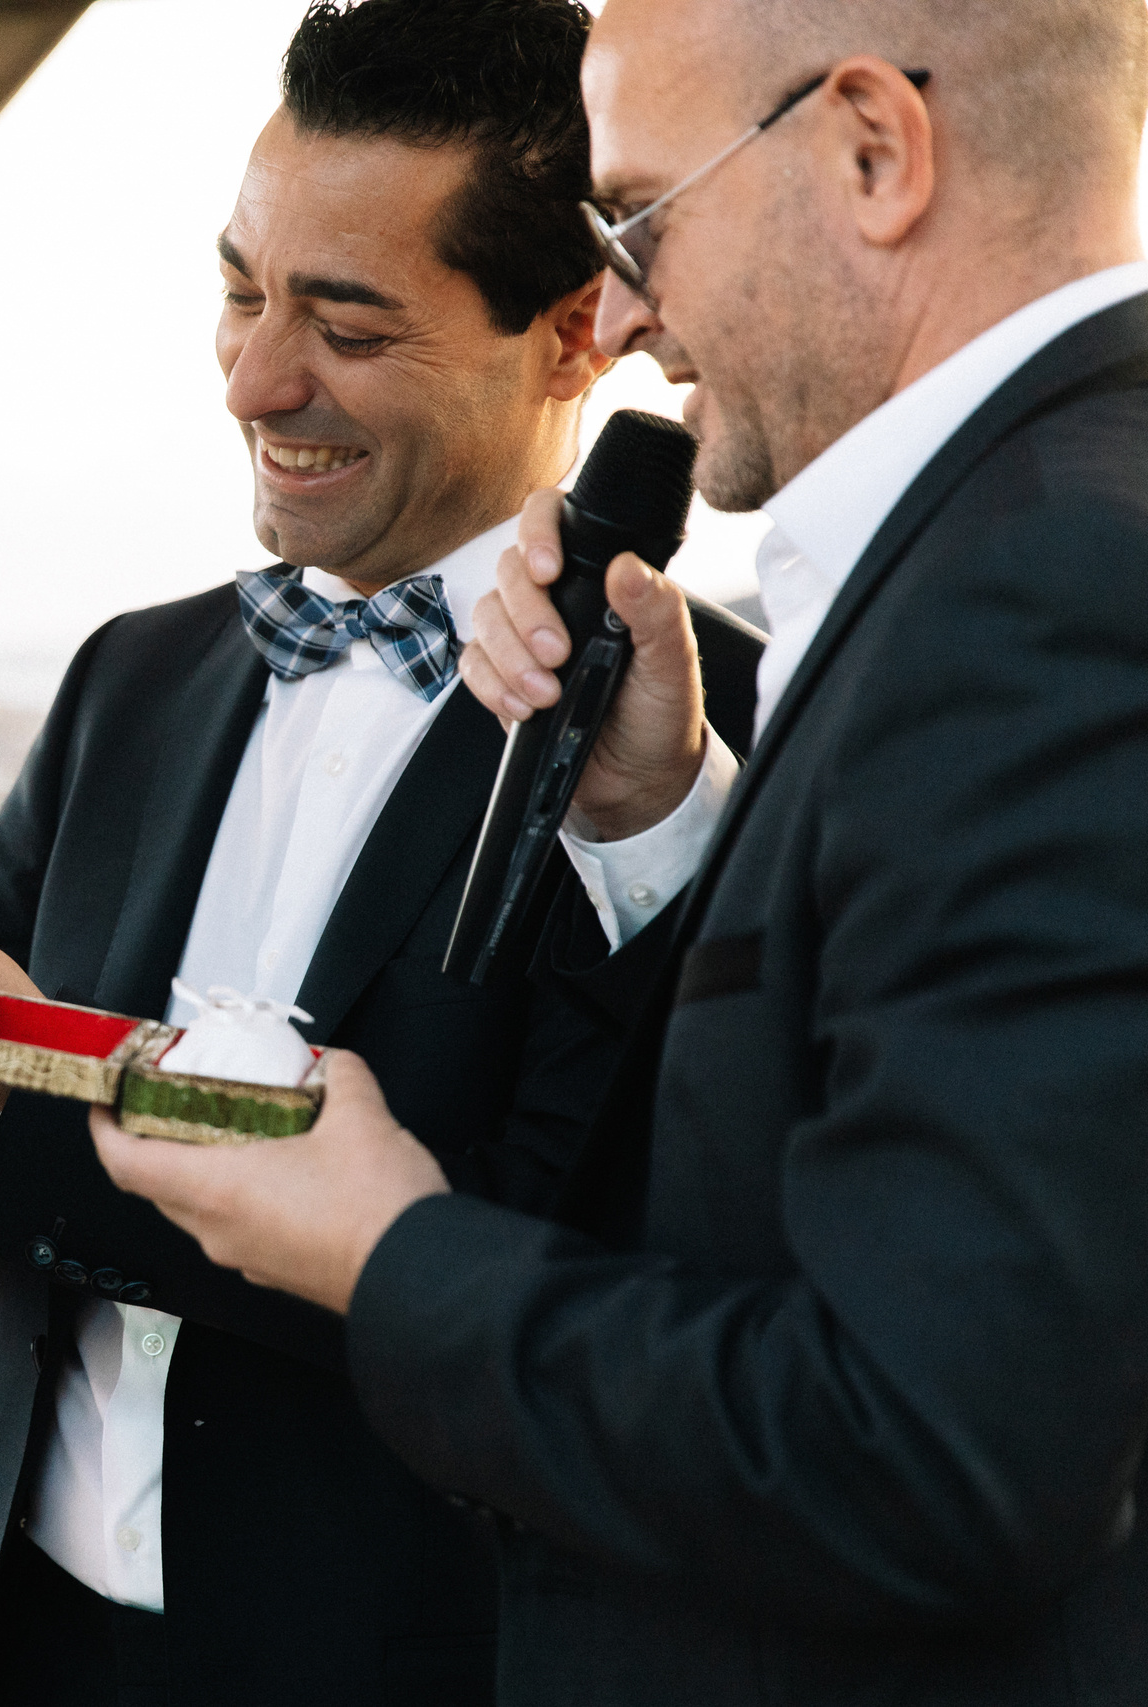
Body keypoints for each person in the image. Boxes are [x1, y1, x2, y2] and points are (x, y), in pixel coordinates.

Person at [88, 2, 1148, 1703]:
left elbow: (942, 1452)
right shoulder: (1023, 540)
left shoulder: (1050, 594)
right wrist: (660, 817)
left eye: (644, 217)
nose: (631, 314)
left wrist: (387, 1249)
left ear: (874, 151)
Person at [0, 3, 762, 1702]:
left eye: (345, 326)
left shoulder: (710, 731)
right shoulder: (129, 679)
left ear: (576, 331)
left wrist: (19, 1060)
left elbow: (563, 1249)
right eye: (241, 291)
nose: (251, 381)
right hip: (20, 1650)